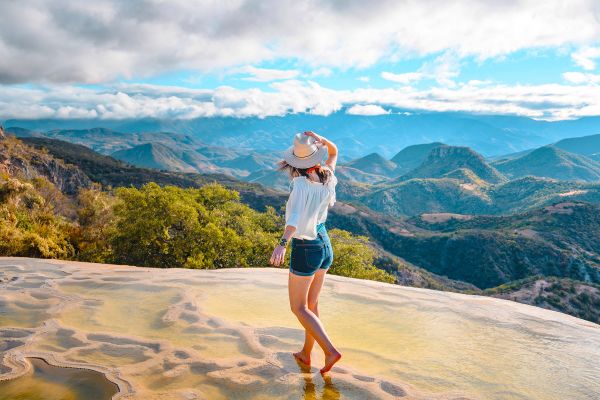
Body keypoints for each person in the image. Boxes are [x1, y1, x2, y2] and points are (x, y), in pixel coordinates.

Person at [269, 131, 342, 375]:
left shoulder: (300, 184)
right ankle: (306, 353)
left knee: (298, 308)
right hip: (324, 243)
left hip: (306, 247)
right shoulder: (327, 175)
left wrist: (282, 243)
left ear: (294, 163)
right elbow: (334, 152)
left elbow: (295, 219)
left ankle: (330, 351)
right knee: (312, 304)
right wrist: (322, 139)